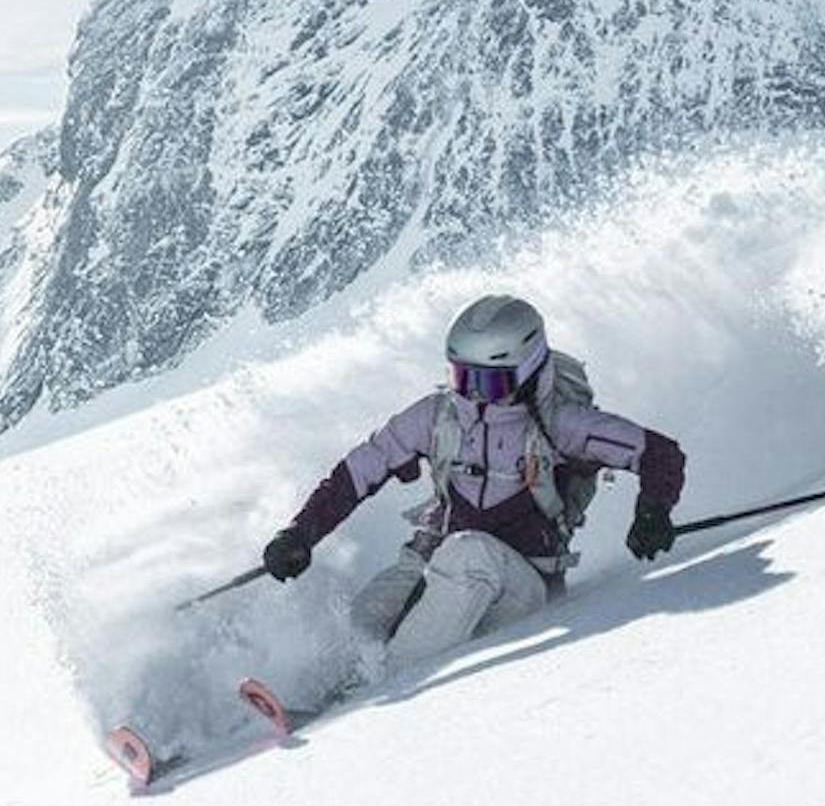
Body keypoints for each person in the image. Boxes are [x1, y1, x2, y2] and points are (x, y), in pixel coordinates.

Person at [256, 294, 686, 705]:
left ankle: (376, 696)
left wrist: (653, 510)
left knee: (470, 554)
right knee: (367, 620)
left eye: (490, 381)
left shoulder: (561, 424)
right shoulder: (437, 415)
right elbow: (360, 469)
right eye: (463, 377)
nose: (474, 394)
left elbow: (658, 453)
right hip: (437, 565)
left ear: (528, 370)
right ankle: (320, 696)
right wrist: (301, 532)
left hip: (523, 589)